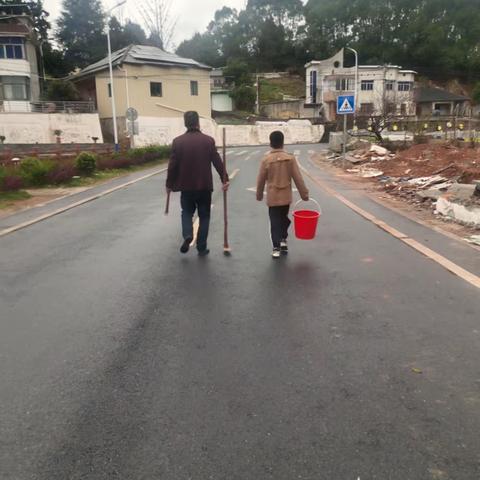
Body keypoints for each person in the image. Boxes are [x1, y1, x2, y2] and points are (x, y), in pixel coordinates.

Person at [166, 111, 229, 256]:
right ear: (198, 123)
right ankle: (201, 247)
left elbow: (172, 166)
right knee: (204, 215)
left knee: (186, 212)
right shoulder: (208, 141)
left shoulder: (178, 142)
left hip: (186, 187)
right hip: (204, 186)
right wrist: (224, 179)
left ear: (185, 123)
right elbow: (217, 162)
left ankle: (188, 234)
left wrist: (169, 185)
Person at [256, 131, 309, 258]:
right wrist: (304, 194)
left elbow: (260, 179)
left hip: (273, 197)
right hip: (286, 197)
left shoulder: (266, 160)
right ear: (283, 142)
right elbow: (298, 178)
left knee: (275, 221)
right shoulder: (290, 159)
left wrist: (259, 194)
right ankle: (283, 240)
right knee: (283, 218)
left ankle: (276, 247)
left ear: (270, 143)